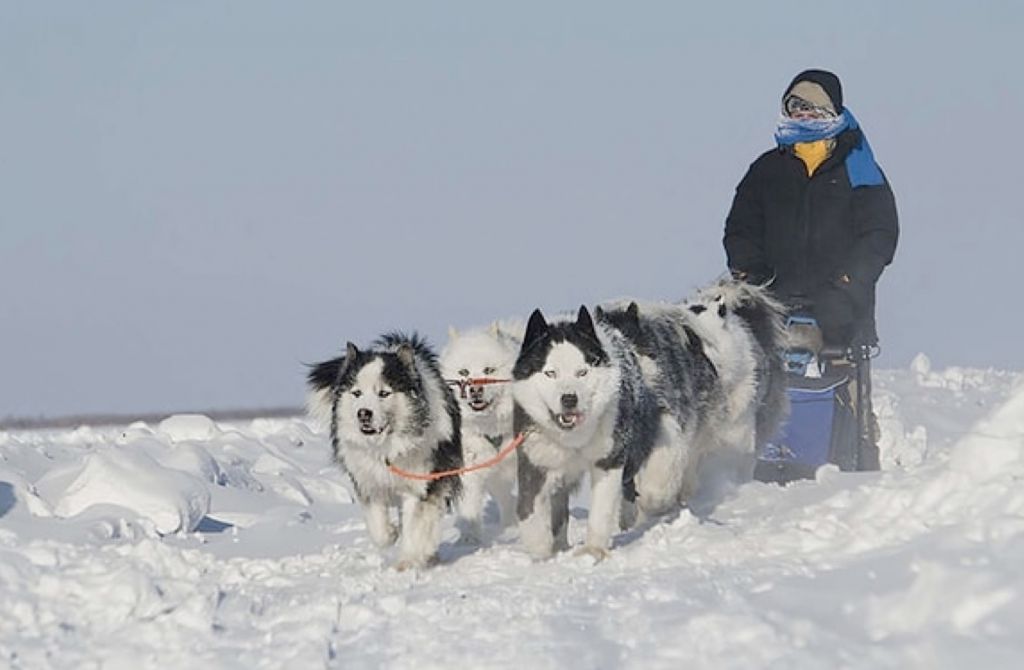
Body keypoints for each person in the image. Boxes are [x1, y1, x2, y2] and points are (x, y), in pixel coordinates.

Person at [723, 69, 898, 469]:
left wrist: (849, 283)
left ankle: (855, 469)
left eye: (813, 110)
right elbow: (740, 229)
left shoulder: (861, 170)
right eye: (795, 108)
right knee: (762, 388)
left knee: (846, 393)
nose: (803, 116)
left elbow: (880, 234)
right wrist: (751, 279)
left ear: (832, 112)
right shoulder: (766, 170)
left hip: (842, 306)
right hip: (773, 304)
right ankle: (762, 467)